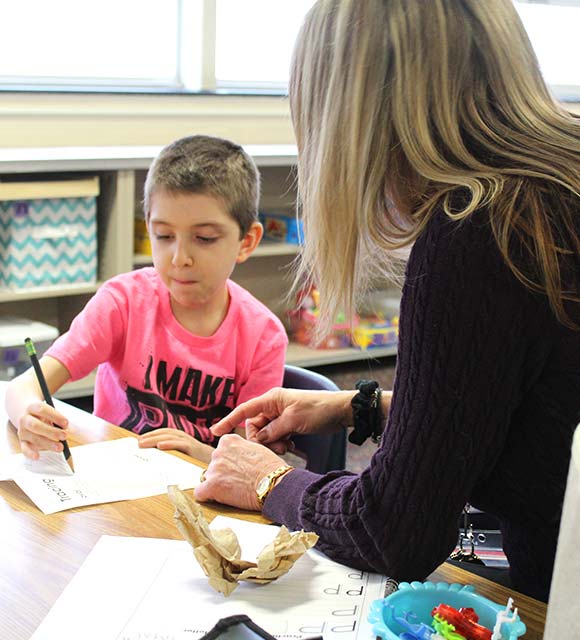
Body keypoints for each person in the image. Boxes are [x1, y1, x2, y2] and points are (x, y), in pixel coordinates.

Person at [194, 0, 580, 602]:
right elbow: (537, 409)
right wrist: (360, 407)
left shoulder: (479, 230)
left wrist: (271, 483)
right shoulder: (559, 179)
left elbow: (393, 531)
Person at [5, 135, 288, 464]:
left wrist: (201, 454)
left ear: (246, 241)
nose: (179, 257)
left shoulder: (263, 337)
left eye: (205, 238)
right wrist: (27, 414)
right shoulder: (123, 302)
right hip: (118, 482)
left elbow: (252, 460)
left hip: (203, 490)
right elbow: (22, 387)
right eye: (164, 236)